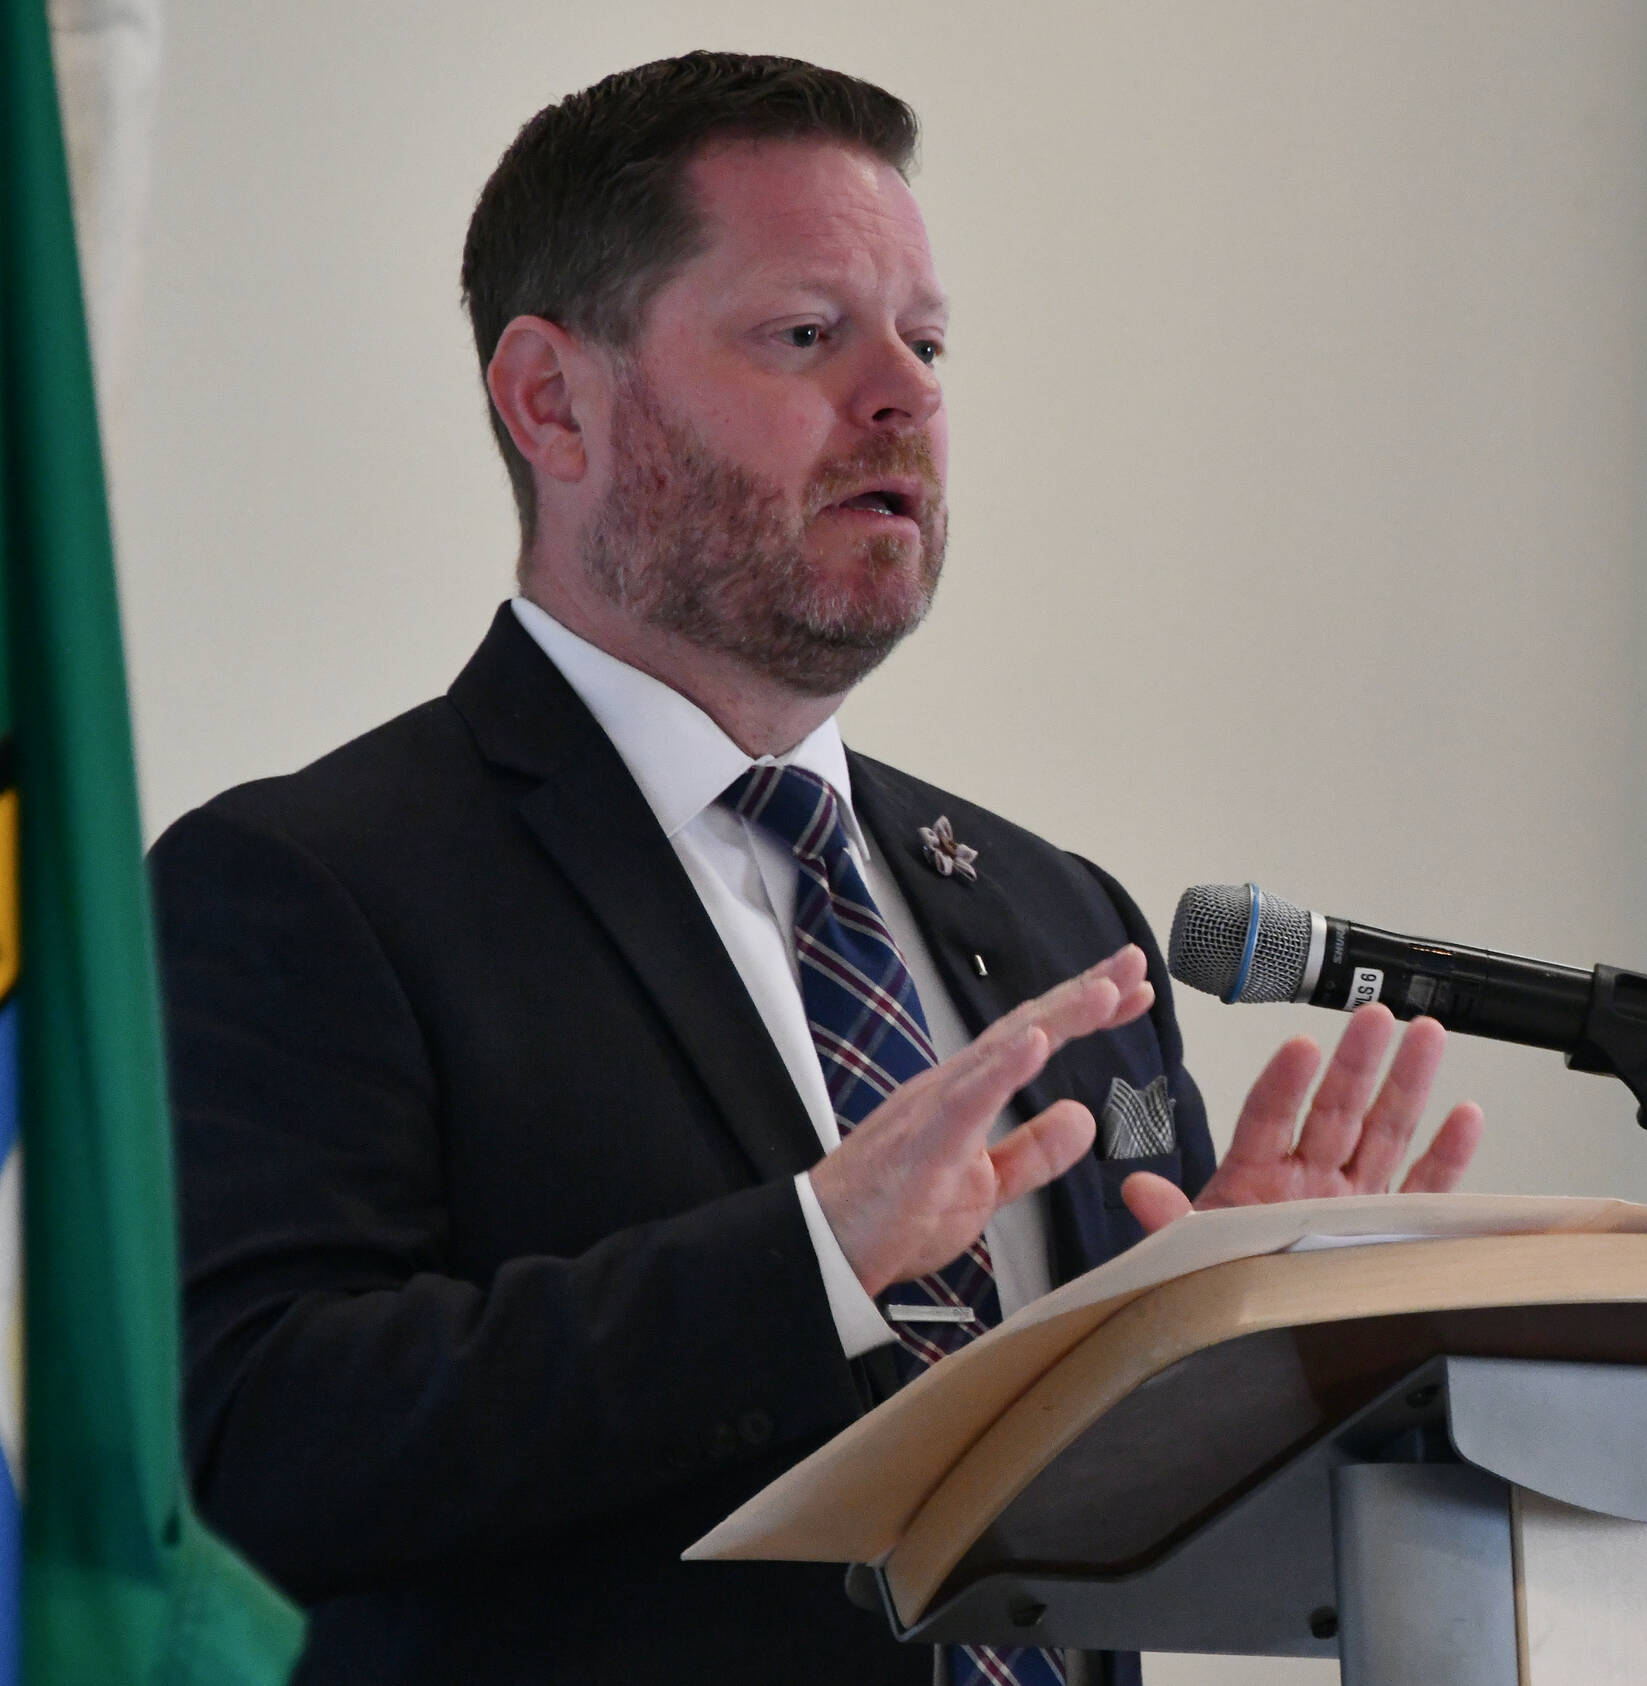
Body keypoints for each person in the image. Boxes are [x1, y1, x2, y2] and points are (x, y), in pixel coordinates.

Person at [149, 53, 1483, 1686]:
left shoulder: (1057, 916)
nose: (906, 395)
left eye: (927, 342)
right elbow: (248, 1449)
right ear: (552, 401)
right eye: (805, 334)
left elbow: (1109, 1550)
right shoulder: (309, 885)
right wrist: (809, 1262)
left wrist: (1231, 1351)